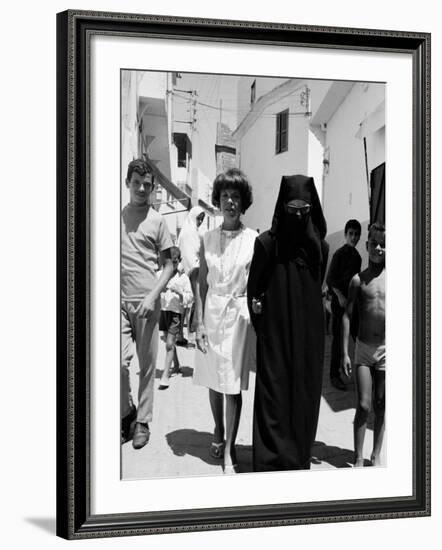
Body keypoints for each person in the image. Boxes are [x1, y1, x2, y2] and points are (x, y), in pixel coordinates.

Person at [247, 174, 329, 472]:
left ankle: (297, 459)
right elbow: (253, 290)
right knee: (274, 394)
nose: (297, 215)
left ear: (311, 209)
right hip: (276, 336)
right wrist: (263, 325)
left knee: (303, 395)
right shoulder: (267, 245)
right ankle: (269, 461)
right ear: (282, 207)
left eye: (303, 210)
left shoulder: (320, 248)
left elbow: (315, 286)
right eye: (291, 208)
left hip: (309, 338)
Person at [193, 168, 257, 474]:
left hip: (237, 316)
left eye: (235, 196)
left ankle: (230, 448)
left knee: (232, 386)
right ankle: (218, 429)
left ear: (243, 201)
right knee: (212, 379)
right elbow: (202, 283)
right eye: (225, 196)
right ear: (217, 200)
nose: (230, 201)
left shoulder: (253, 239)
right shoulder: (206, 238)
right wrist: (199, 323)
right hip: (212, 312)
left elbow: (257, 282)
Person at [121, 158, 174, 449]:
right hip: (117, 303)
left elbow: (169, 266)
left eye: (147, 185)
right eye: (137, 183)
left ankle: (142, 421)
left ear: (152, 188)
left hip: (147, 303)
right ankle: (126, 412)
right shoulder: (115, 216)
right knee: (117, 363)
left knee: (146, 366)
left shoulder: (158, 220)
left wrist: (153, 296)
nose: (142, 188)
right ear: (127, 183)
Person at [342, 222, 385, 467]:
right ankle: (358, 456)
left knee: (381, 405)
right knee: (363, 404)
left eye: (383, 245)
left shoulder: (395, 279)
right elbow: (347, 315)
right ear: (366, 245)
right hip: (363, 349)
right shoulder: (358, 281)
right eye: (374, 243)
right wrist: (344, 354)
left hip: (387, 351)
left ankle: (376, 454)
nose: (378, 248)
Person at [326, 219, 362, 390]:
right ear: (345, 234)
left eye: (356, 234)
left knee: (358, 336)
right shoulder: (339, 254)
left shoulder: (358, 257)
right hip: (339, 304)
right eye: (351, 234)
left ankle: (364, 371)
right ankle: (334, 375)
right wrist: (339, 296)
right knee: (338, 341)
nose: (353, 237)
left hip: (351, 305)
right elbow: (330, 279)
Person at [158, 247, 193, 389]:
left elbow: (190, 297)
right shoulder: (159, 274)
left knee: (169, 344)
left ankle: (165, 375)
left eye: (175, 262)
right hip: (163, 311)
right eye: (169, 262)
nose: (172, 265)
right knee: (168, 341)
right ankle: (176, 364)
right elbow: (152, 289)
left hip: (175, 313)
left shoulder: (183, 278)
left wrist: (179, 292)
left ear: (179, 261)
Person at [176, 206, 206, 346]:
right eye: (198, 218)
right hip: (191, 272)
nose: (200, 221)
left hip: (190, 270)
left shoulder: (190, 231)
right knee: (189, 304)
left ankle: (182, 334)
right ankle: (186, 335)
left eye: (202, 219)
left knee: (186, 306)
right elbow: (189, 254)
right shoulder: (189, 233)